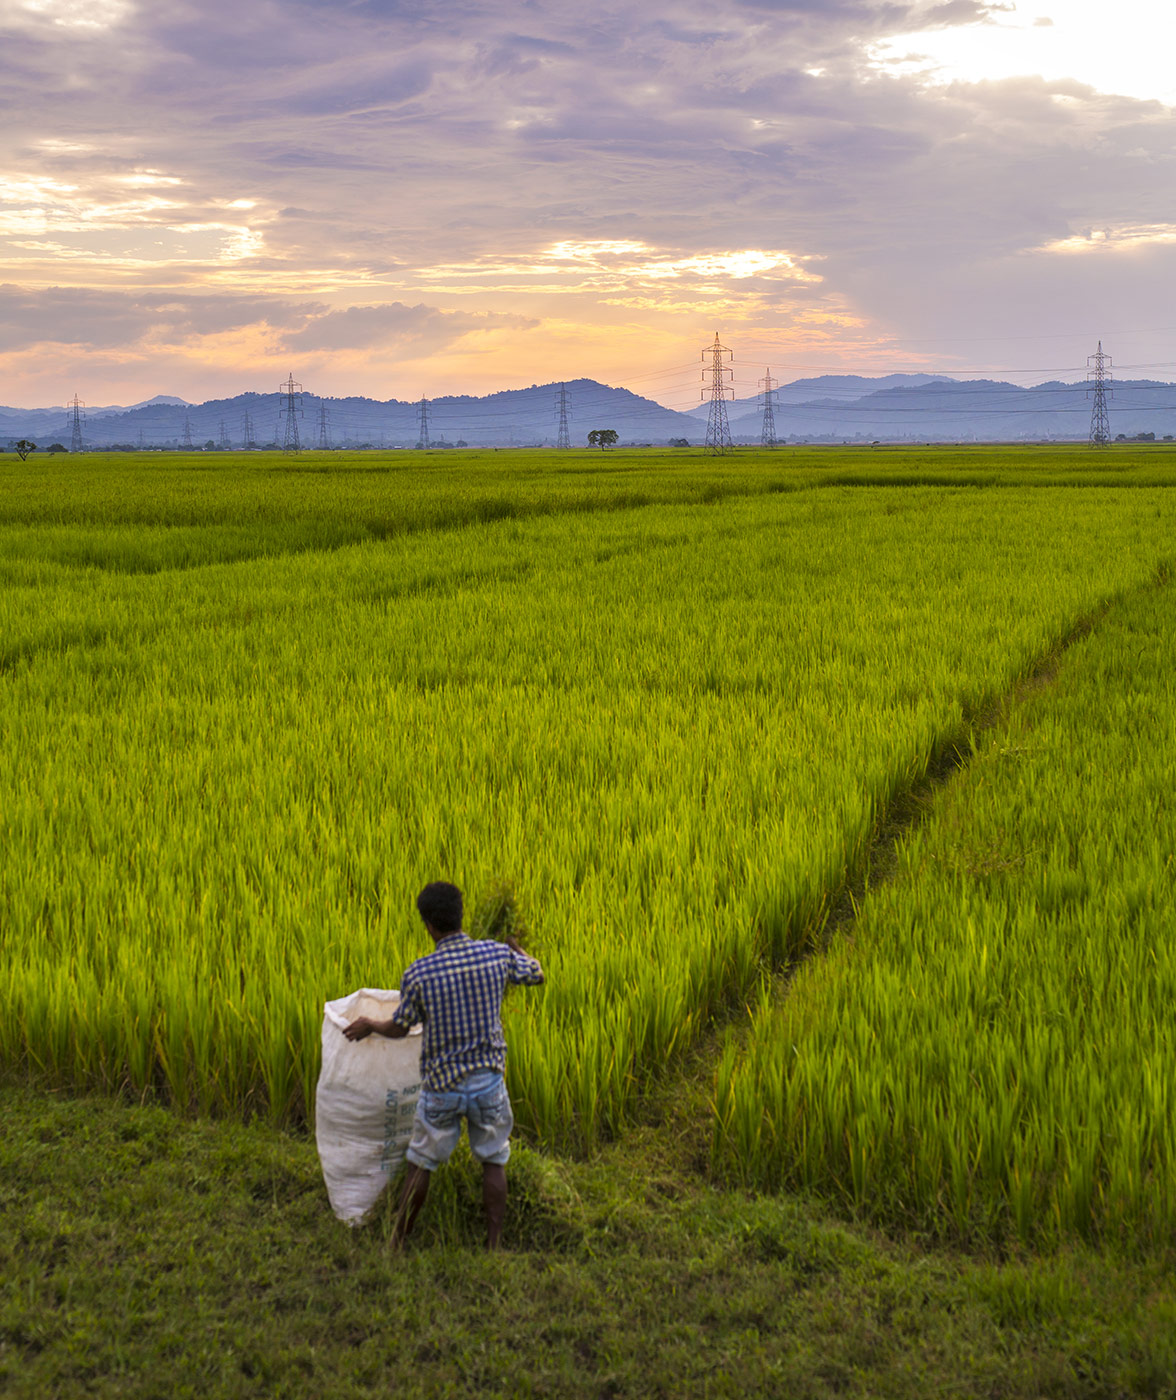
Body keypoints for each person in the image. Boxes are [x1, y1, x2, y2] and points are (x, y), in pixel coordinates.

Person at [343, 881, 544, 1249]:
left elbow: (400, 1028)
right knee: (494, 1159)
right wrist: (518, 950)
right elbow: (536, 973)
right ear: (461, 915)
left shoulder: (419, 974)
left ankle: (396, 1243)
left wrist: (371, 1024)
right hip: (488, 1083)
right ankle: (494, 1245)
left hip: (442, 1088)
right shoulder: (496, 955)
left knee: (421, 1161)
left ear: (428, 926)